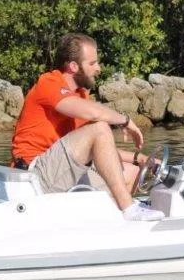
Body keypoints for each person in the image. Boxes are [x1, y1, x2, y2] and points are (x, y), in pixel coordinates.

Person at [11, 33, 164, 221]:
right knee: (100, 128)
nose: (98, 68)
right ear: (73, 66)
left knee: (131, 171)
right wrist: (124, 120)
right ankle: (129, 209)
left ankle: (112, 221)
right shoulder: (49, 83)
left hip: (60, 173)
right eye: (92, 63)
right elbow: (96, 118)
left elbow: (100, 148)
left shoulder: (80, 95)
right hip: (33, 176)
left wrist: (140, 158)